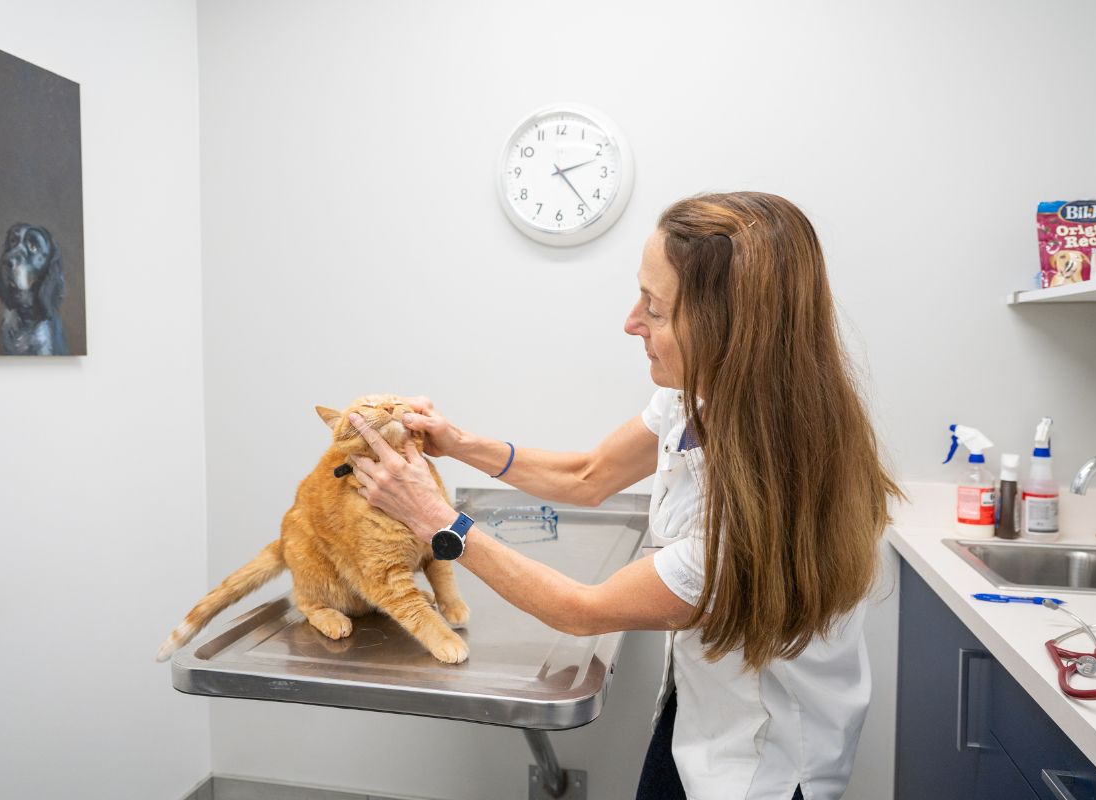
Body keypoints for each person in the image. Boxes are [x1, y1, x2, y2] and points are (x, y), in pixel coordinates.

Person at [347, 191, 901, 800]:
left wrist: (431, 518)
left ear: (726, 327)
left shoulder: (768, 501)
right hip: (698, 718)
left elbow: (582, 610)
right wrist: (459, 443)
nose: (631, 321)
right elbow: (589, 475)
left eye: (656, 310)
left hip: (757, 770)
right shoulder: (697, 393)